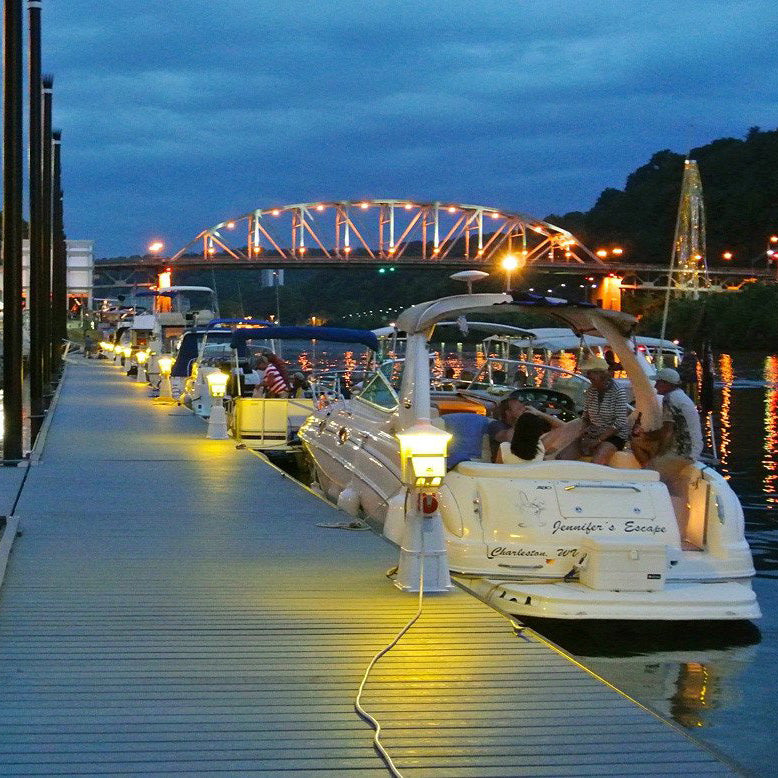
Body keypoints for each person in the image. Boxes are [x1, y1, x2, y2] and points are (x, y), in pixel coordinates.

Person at [562, 357, 630, 465]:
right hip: (593, 431)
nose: (588, 376)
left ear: (602, 375)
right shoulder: (591, 390)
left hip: (614, 436)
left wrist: (598, 440)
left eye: (591, 373)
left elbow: (620, 421)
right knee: (562, 458)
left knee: (597, 462)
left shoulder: (618, 391)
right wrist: (582, 433)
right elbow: (586, 415)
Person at [653, 367, 703, 462]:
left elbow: (667, 432)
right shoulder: (681, 396)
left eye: (658, 382)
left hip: (683, 453)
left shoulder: (669, 399)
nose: (655, 386)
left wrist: (659, 454)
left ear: (666, 383)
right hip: (695, 450)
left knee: (649, 460)